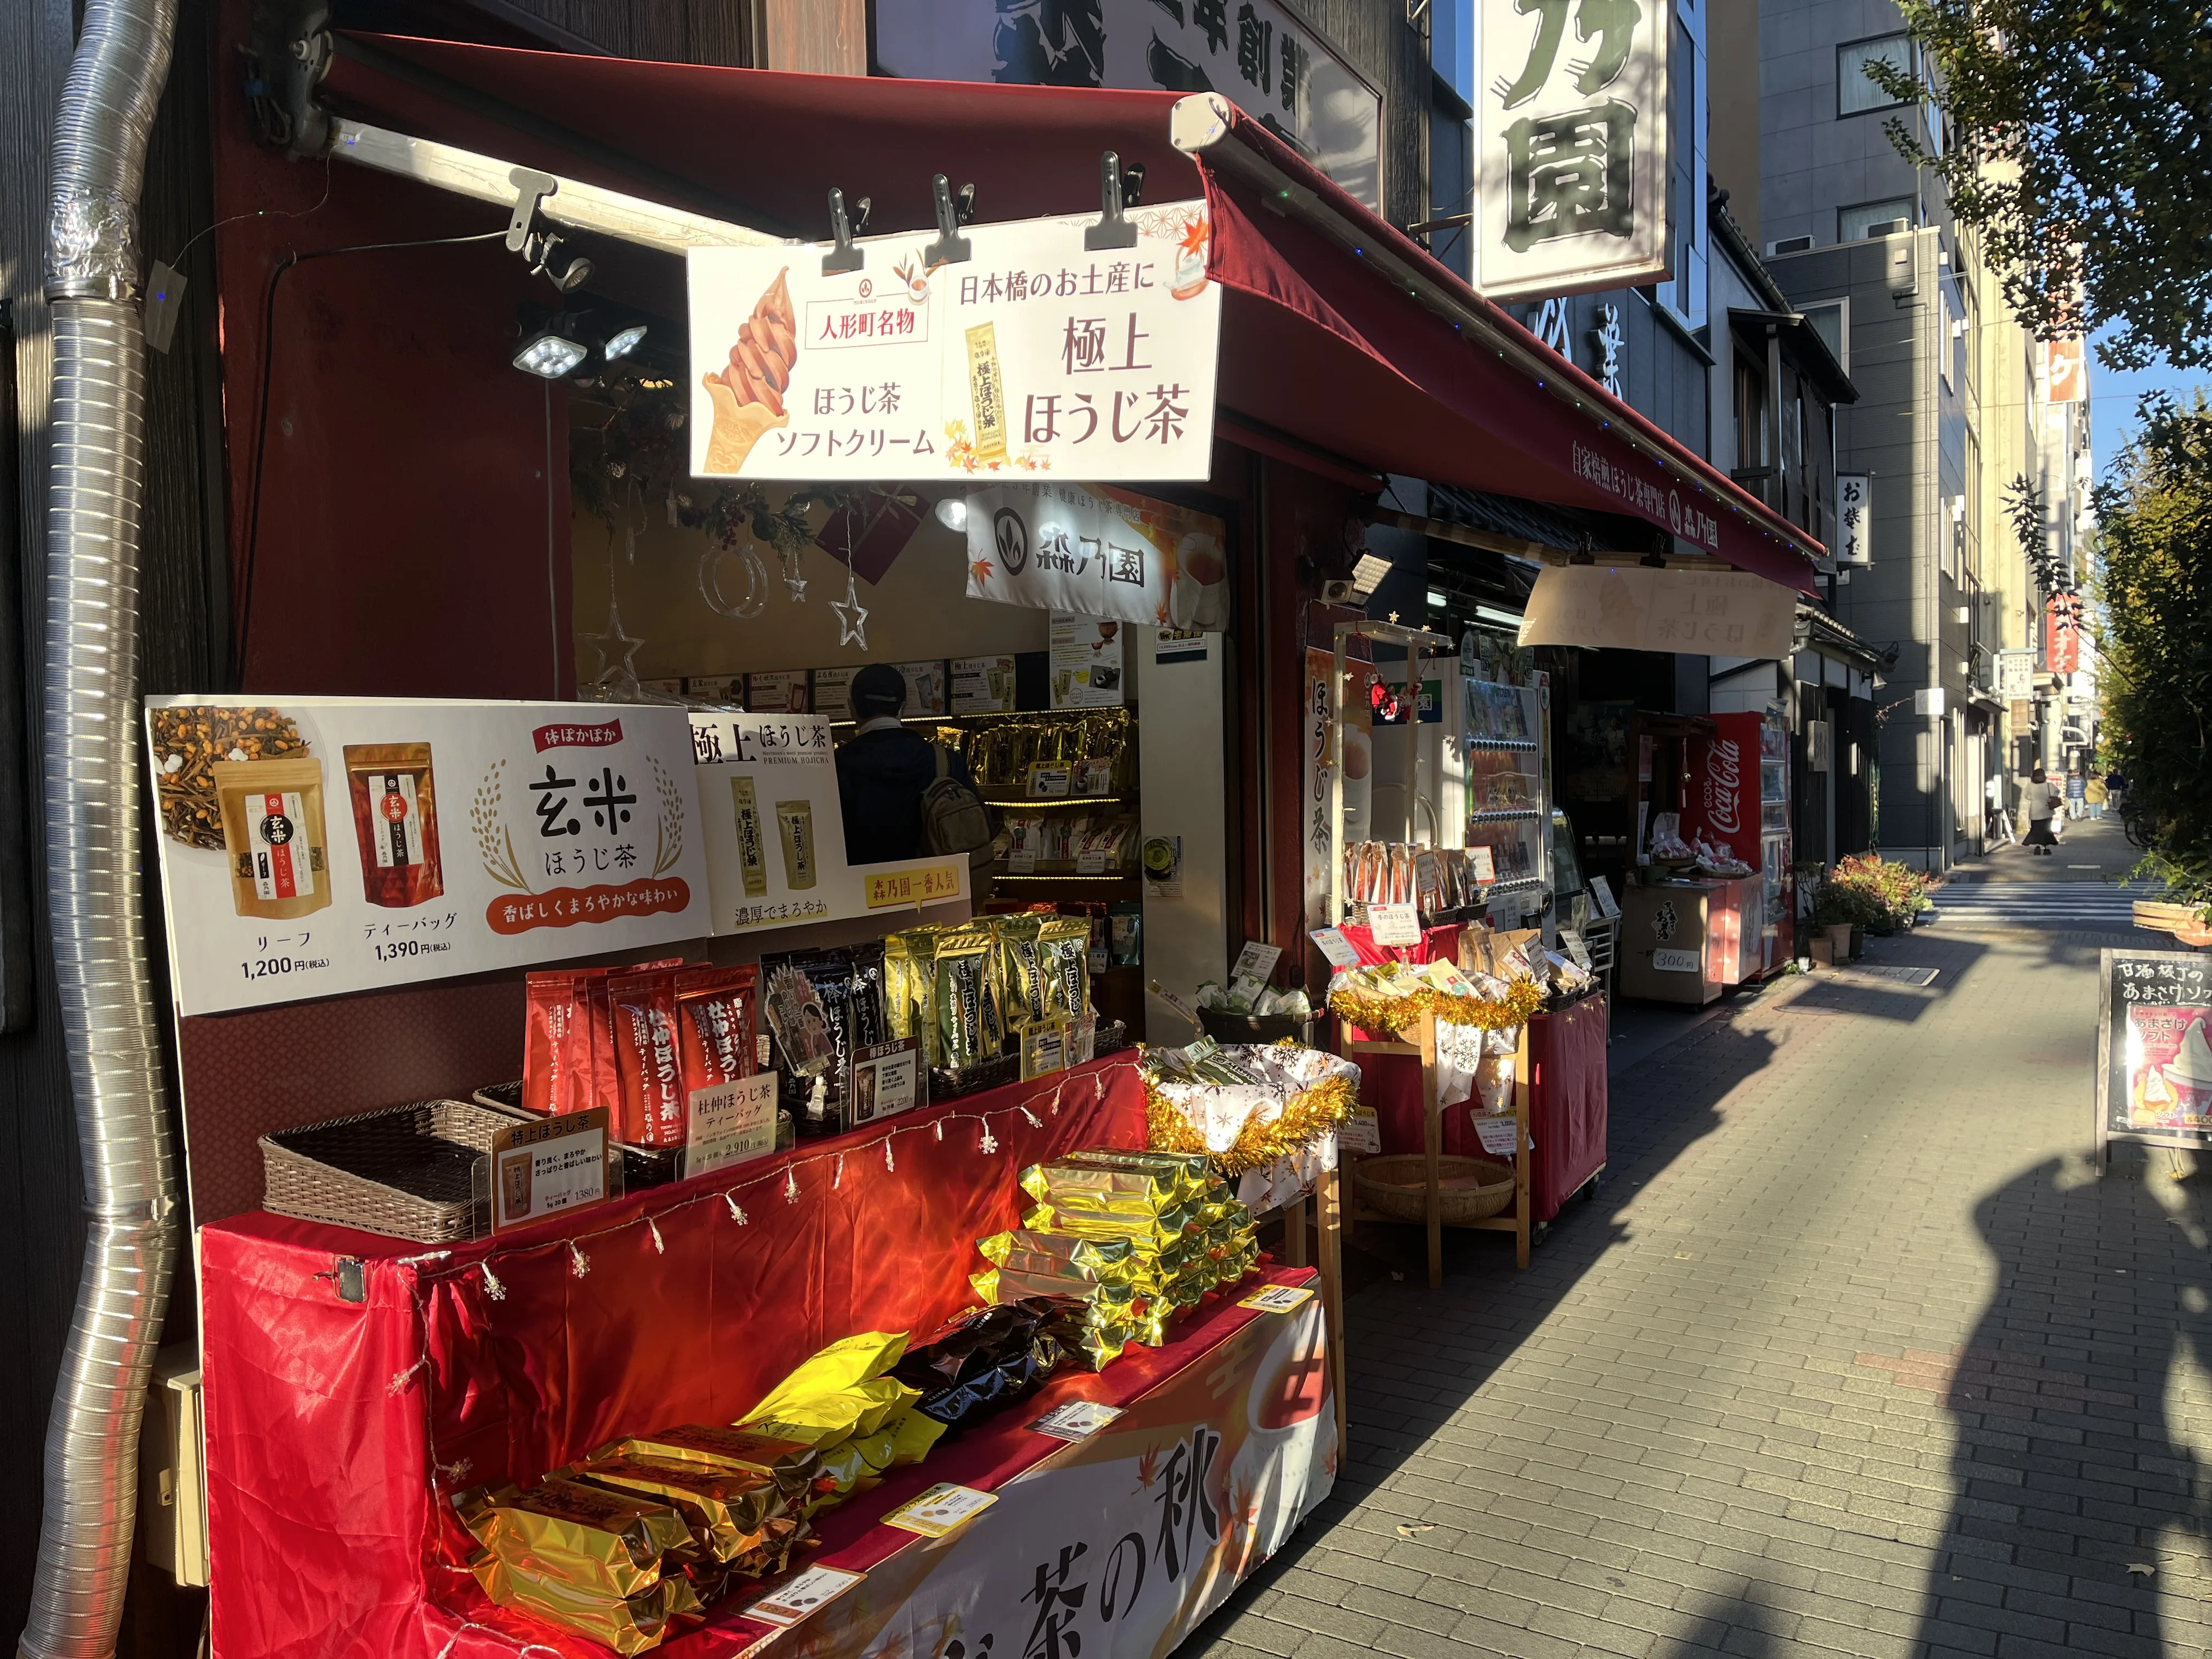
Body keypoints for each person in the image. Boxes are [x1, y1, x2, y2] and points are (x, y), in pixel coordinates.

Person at [833, 662, 980, 864]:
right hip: (936, 889)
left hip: (858, 891)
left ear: (852, 707)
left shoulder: (833, 768)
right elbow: (979, 825)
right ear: (904, 705)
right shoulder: (944, 762)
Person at [2022, 763, 2063, 855]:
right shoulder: (2049, 786)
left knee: (2036, 830)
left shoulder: (2030, 787)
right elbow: (2057, 792)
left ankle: (2038, 847)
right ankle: (2046, 848)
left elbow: (2026, 796)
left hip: (2035, 812)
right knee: (2046, 830)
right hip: (2047, 811)